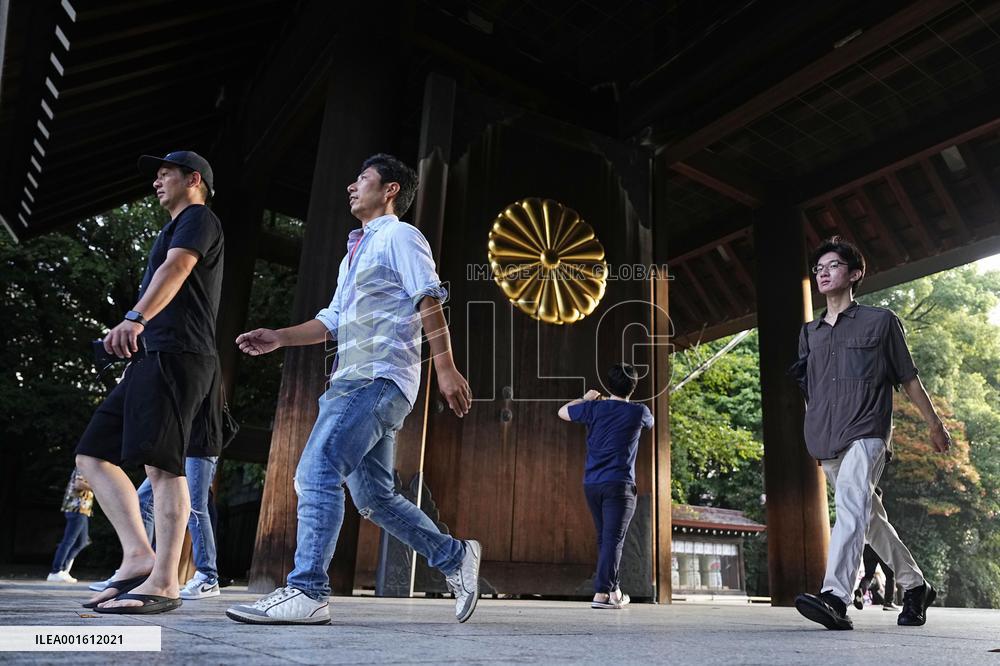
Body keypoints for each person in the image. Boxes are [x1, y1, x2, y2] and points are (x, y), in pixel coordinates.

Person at [226, 154, 479, 626]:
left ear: (390, 190)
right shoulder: (354, 253)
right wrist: (280, 336)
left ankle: (307, 590)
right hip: (355, 379)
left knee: (318, 471)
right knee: (374, 498)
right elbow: (332, 321)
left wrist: (445, 367)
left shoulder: (401, 235)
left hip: (376, 378)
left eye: (362, 179)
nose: (351, 186)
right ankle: (454, 556)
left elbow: (428, 297)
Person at [75, 150, 224, 615]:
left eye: (165, 174)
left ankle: (164, 582)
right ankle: (139, 555)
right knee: (92, 453)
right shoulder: (172, 225)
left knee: (162, 467)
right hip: (151, 355)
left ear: (192, 179)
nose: (157, 182)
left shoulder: (199, 218)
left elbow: (176, 268)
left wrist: (134, 317)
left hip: (179, 355)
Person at [792, 236, 950, 631]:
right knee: (869, 517)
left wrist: (934, 423)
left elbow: (909, 378)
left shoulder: (881, 322)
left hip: (867, 431)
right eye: (818, 269)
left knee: (849, 507)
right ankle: (916, 586)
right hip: (826, 438)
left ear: (855, 273)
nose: (822, 273)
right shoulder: (809, 333)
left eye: (832, 266)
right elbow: (809, 388)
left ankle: (835, 598)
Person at [558, 363, 653, 609]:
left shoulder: (594, 408)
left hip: (592, 484)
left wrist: (585, 398)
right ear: (633, 386)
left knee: (607, 539)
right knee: (613, 539)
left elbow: (562, 412)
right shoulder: (639, 412)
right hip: (619, 485)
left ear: (609, 384)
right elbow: (650, 423)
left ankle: (615, 591)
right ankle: (601, 594)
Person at [47, 467, 94, 583]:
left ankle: (63, 570)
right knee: (68, 540)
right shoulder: (83, 465)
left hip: (83, 509)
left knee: (81, 542)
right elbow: (78, 484)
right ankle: (56, 571)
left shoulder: (89, 466)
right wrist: (98, 487)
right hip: (76, 508)